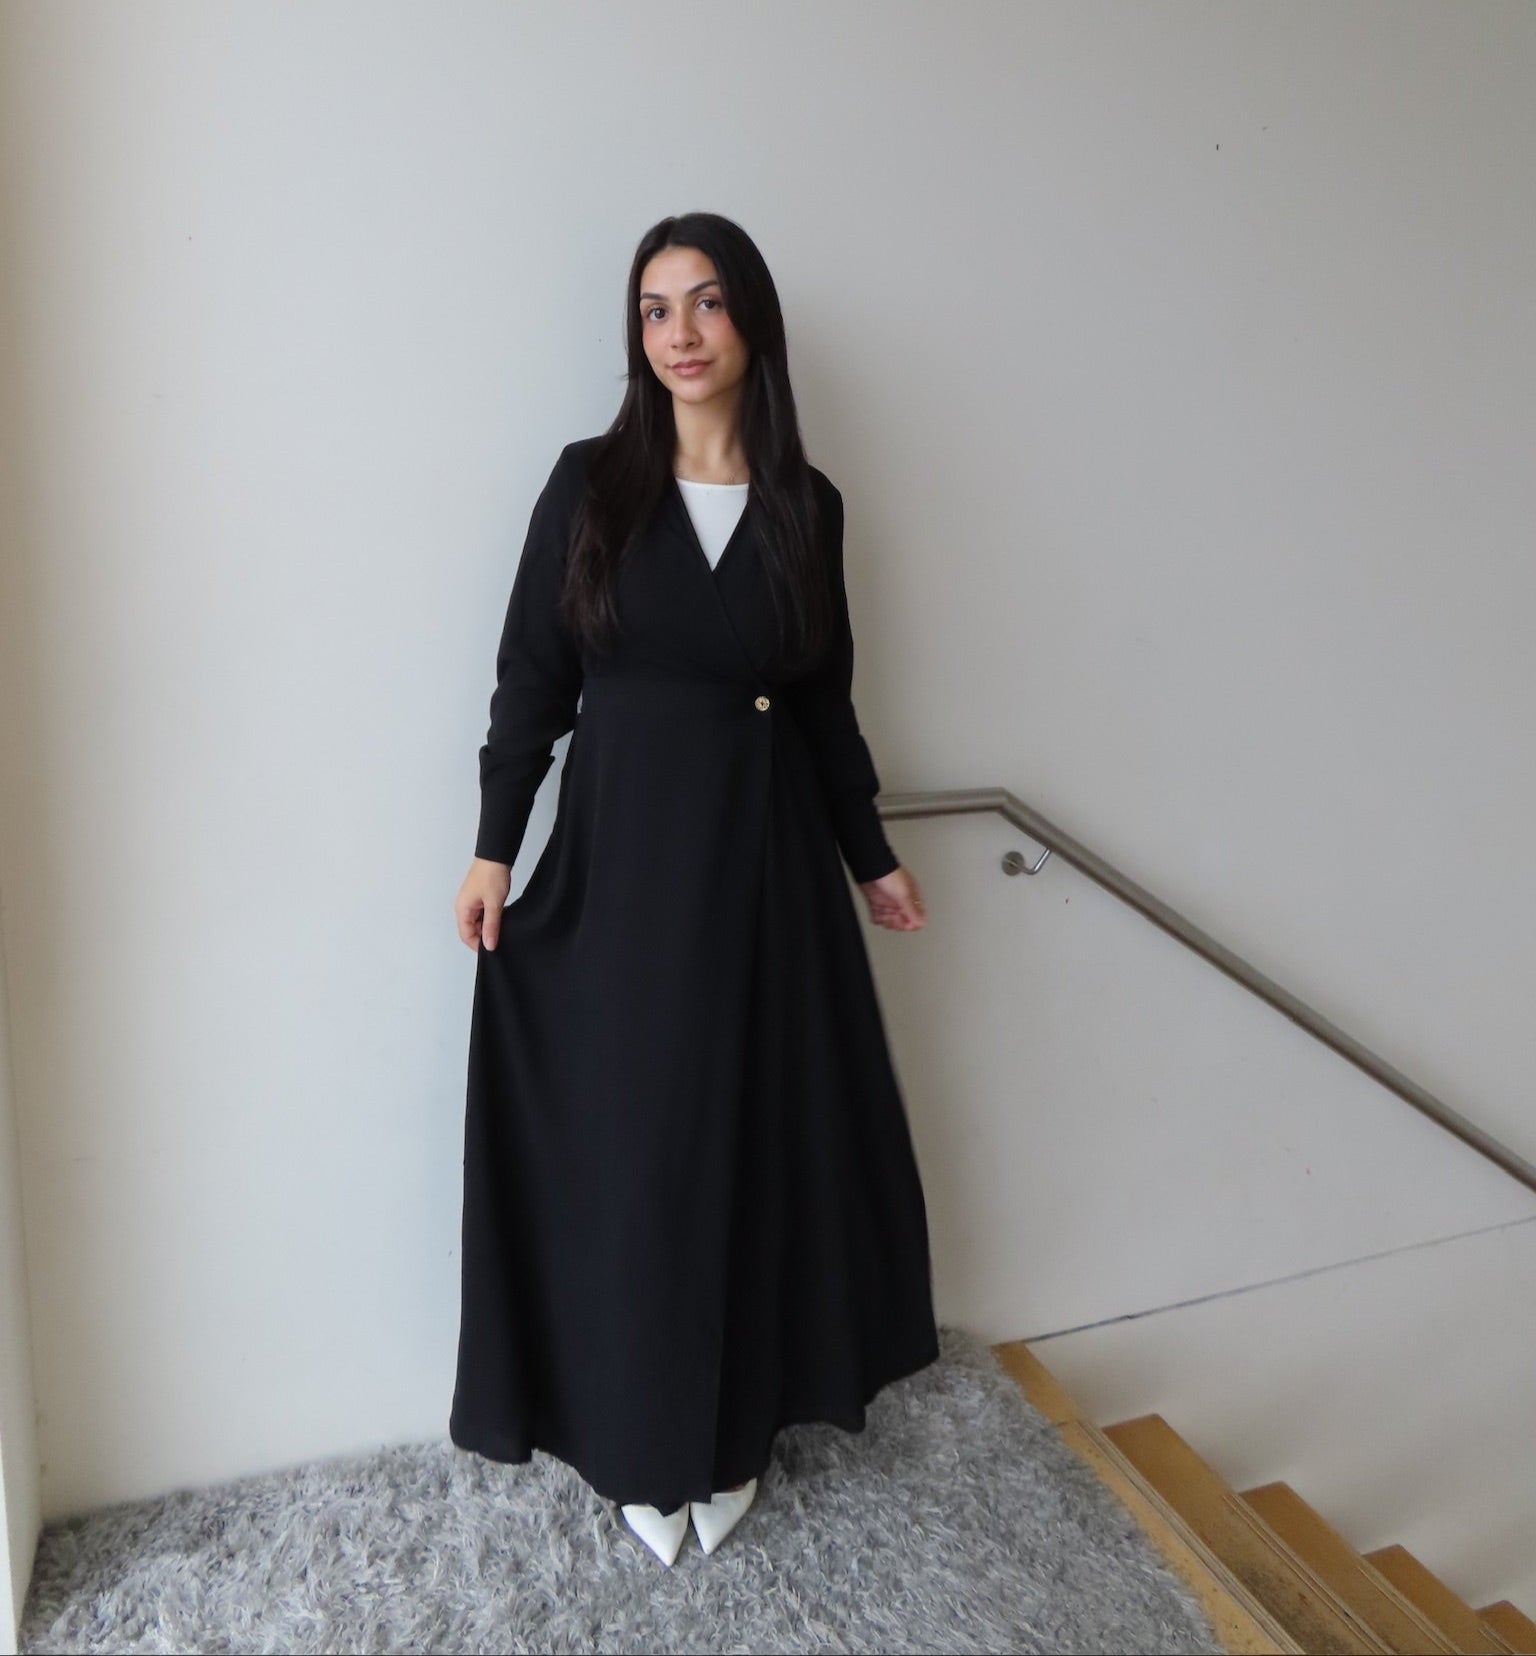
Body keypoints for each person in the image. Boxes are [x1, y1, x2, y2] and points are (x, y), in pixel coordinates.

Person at [448, 211, 940, 1568]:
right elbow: (532, 679)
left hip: (769, 879)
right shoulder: (592, 484)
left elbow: (827, 705)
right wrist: (494, 847)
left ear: (752, 322)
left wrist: (870, 855)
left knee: (756, 1154)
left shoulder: (806, 506)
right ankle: (637, 1443)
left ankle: (728, 1443)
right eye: (656, 309)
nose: (680, 333)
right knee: (641, 1162)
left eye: (707, 303)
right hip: (625, 876)